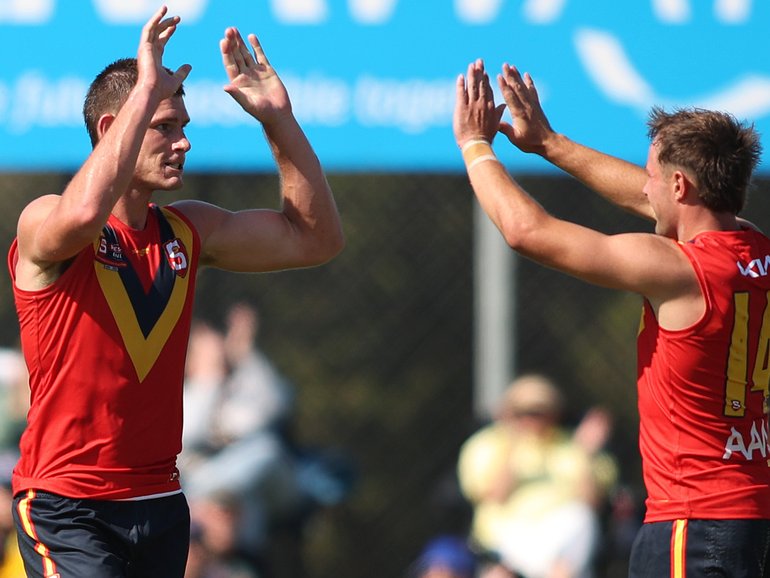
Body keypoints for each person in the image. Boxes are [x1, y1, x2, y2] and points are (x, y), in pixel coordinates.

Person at [7, 6, 343, 578]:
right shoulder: (46, 220)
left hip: (161, 504)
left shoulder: (188, 230)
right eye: (164, 126)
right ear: (113, 128)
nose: (183, 142)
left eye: (183, 126)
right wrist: (144, 91)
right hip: (68, 505)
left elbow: (315, 239)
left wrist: (277, 120)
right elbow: (84, 214)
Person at [453, 58, 770, 577]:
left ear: (680, 186)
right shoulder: (754, 246)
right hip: (749, 512)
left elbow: (528, 232)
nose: (643, 188)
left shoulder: (679, 269)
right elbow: (666, 206)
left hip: (693, 523)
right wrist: (550, 144)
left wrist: (474, 146)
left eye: (652, 177)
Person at [457, 374, 617, 578]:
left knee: (582, 518)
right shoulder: (485, 445)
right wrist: (512, 447)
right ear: (506, 412)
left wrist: (585, 455)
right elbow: (496, 497)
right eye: (521, 413)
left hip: (561, 541)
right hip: (504, 539)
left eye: (538, 412)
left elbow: (592, 504)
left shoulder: (575, 447)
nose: (530, 420)